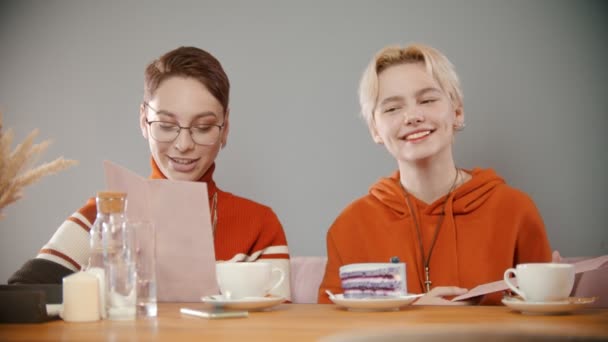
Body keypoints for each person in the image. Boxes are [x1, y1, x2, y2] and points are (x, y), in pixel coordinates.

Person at [9, 46, 291, 300]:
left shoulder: (259, 225)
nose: (183, 145)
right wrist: (91, 280)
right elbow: (19, 296)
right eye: (166, 125)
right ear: (144, 121)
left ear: (225, 128)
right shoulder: (103, 216)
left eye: (203, 127)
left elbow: (280, 327)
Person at [317, 43, 551, 305]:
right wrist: (414, 316)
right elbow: (332, 327)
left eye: (427, 100)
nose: (412, 116)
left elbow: (546, 323)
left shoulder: (515, 210)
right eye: (392, 108)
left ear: (457, 112)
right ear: (375, 129)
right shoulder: (350, 226)